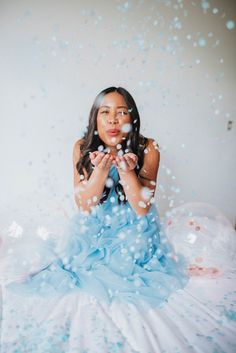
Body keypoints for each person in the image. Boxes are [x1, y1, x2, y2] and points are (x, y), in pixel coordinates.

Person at [0, 87, 235, 353]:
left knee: (131, 260)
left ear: (132, 118)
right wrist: (100, 170)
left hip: (134, 226)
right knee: (79, 261)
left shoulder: (148, 147)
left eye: (121, 112)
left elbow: (142, 207)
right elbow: (84, 206)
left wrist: (126, 171)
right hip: (94, 225)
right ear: (95, 119)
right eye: (105, 112)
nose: (113, 119)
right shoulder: (81, 147)